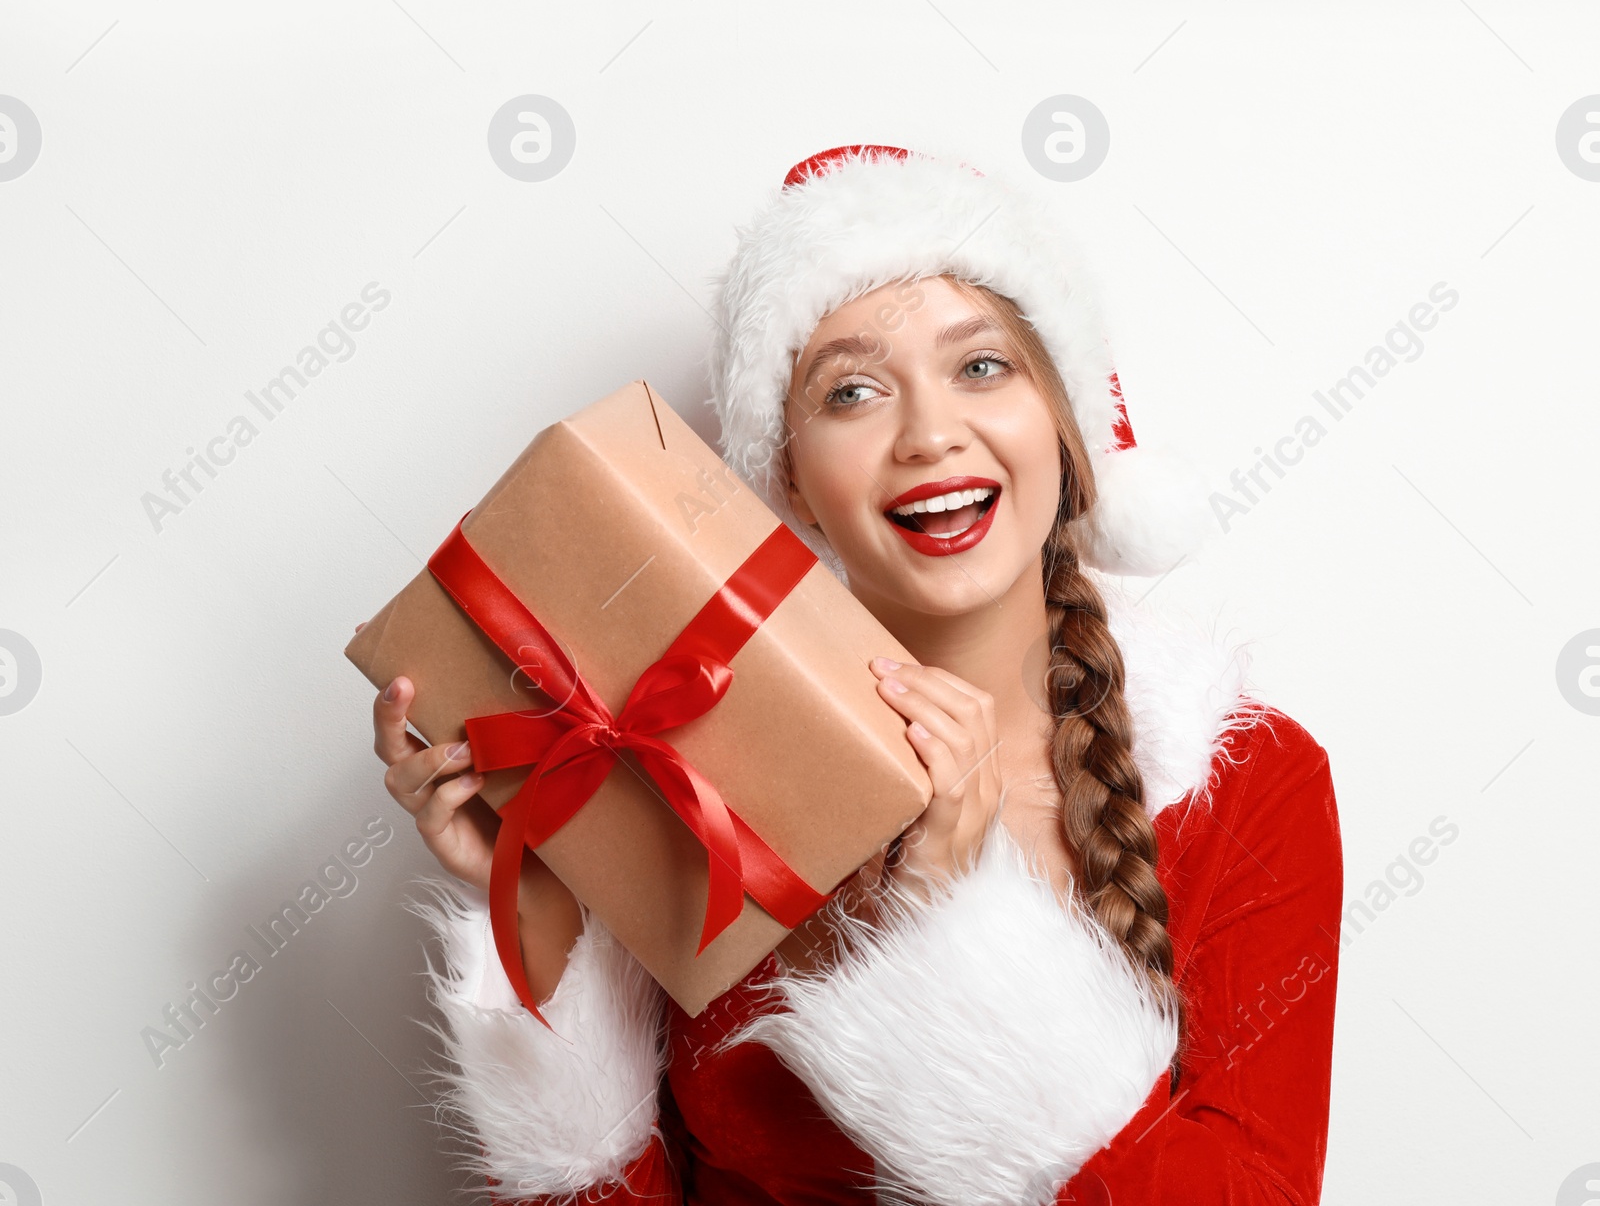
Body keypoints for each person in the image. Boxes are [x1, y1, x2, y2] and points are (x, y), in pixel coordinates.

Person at [372, 146, 1343, 1206]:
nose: (929, 434)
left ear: (1065, 426)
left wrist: (944, 928)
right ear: (789, 475)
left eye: (981, 366)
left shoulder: (1246, 782)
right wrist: (546, 916)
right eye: (852, 390)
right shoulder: (683, 771)